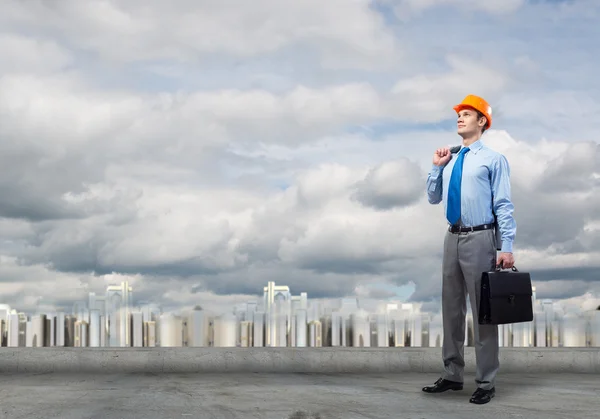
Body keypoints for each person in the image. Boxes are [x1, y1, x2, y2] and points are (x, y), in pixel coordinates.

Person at [422, 94, 517, 405]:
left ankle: (486, 381)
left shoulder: (493, 160)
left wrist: (507, 246)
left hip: (481, 239)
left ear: (482, 121)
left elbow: (503, 205)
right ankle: (452, 374)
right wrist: (437, 168)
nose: (459, 118)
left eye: (467, 114)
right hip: (452, 236)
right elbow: (434, 199)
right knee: (451, 310)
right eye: (458, 114)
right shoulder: (449, 160)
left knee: (483, 314)